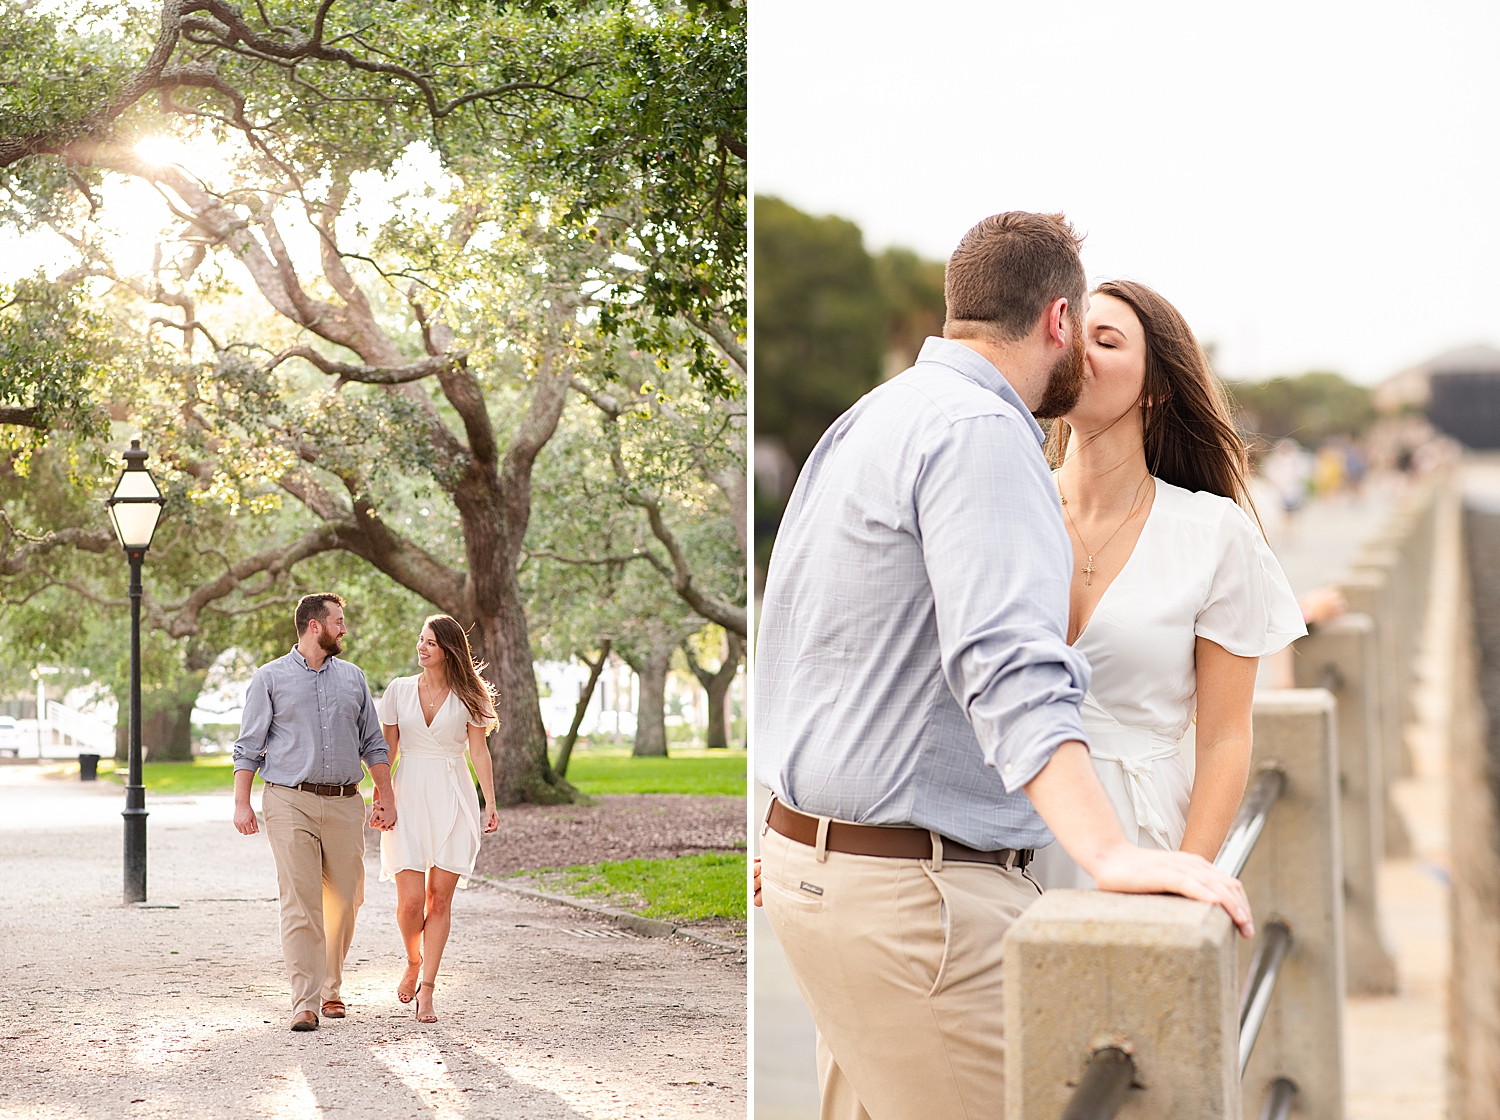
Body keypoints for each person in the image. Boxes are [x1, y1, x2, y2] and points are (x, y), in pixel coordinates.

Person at [754, 212, 1255, 1120]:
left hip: (818, 874)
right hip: (916, 905)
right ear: (1057, 322)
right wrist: (1108, 854)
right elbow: (1009, 668)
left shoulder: (870, 416)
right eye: (1089, 330)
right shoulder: (983, 435)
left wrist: (790, 809)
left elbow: (799, 628)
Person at [1028, 280, 1306, 889]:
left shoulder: (1212, 533)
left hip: (1142, 838)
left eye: (1107, 340)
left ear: (1154, 387)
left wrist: (1186, 874)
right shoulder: (1009, 504)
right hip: (1000, 841)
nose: (1081, 349)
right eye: (1075, 331)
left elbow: (1227, 735)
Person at [232, 593, 395, 1032]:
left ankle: (331, 987)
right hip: (289, 799)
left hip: (345, 802)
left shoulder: (354, 678)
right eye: (339, 621)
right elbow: (249, 745)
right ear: (314, 626)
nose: (345, 629)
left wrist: (386, 794)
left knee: (346, 897)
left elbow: (373, 744)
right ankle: (304, 1002)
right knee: (301, 901)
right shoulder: (269, 678)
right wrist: (241, 801)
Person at [376, 614, 501, 1024]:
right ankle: (413, 959)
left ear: (448, 649)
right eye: (420, 640)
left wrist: (490, 803)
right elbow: (387, 751)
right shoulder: (397, 691)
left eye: (430, 642)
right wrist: (380, 796)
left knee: (439, 899)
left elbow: (478, 751)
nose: (421, 647)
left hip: (453, 794)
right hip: (408, 793)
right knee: (411, 902)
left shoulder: (471, 695)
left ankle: (428, 989)